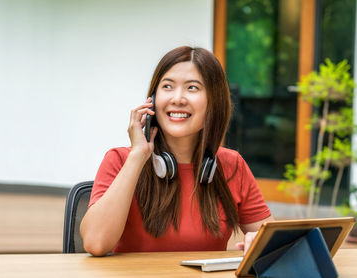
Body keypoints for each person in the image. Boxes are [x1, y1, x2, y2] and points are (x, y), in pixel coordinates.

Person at [80, 46, 273, 256]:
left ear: (213, 103)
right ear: (152, 101)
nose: (178, 98)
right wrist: (137, 157)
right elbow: (95, 243)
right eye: (168, 86)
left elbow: (274, 245)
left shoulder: (231, 165)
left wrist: (259, 242)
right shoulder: (120, 160)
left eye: (192, 88)